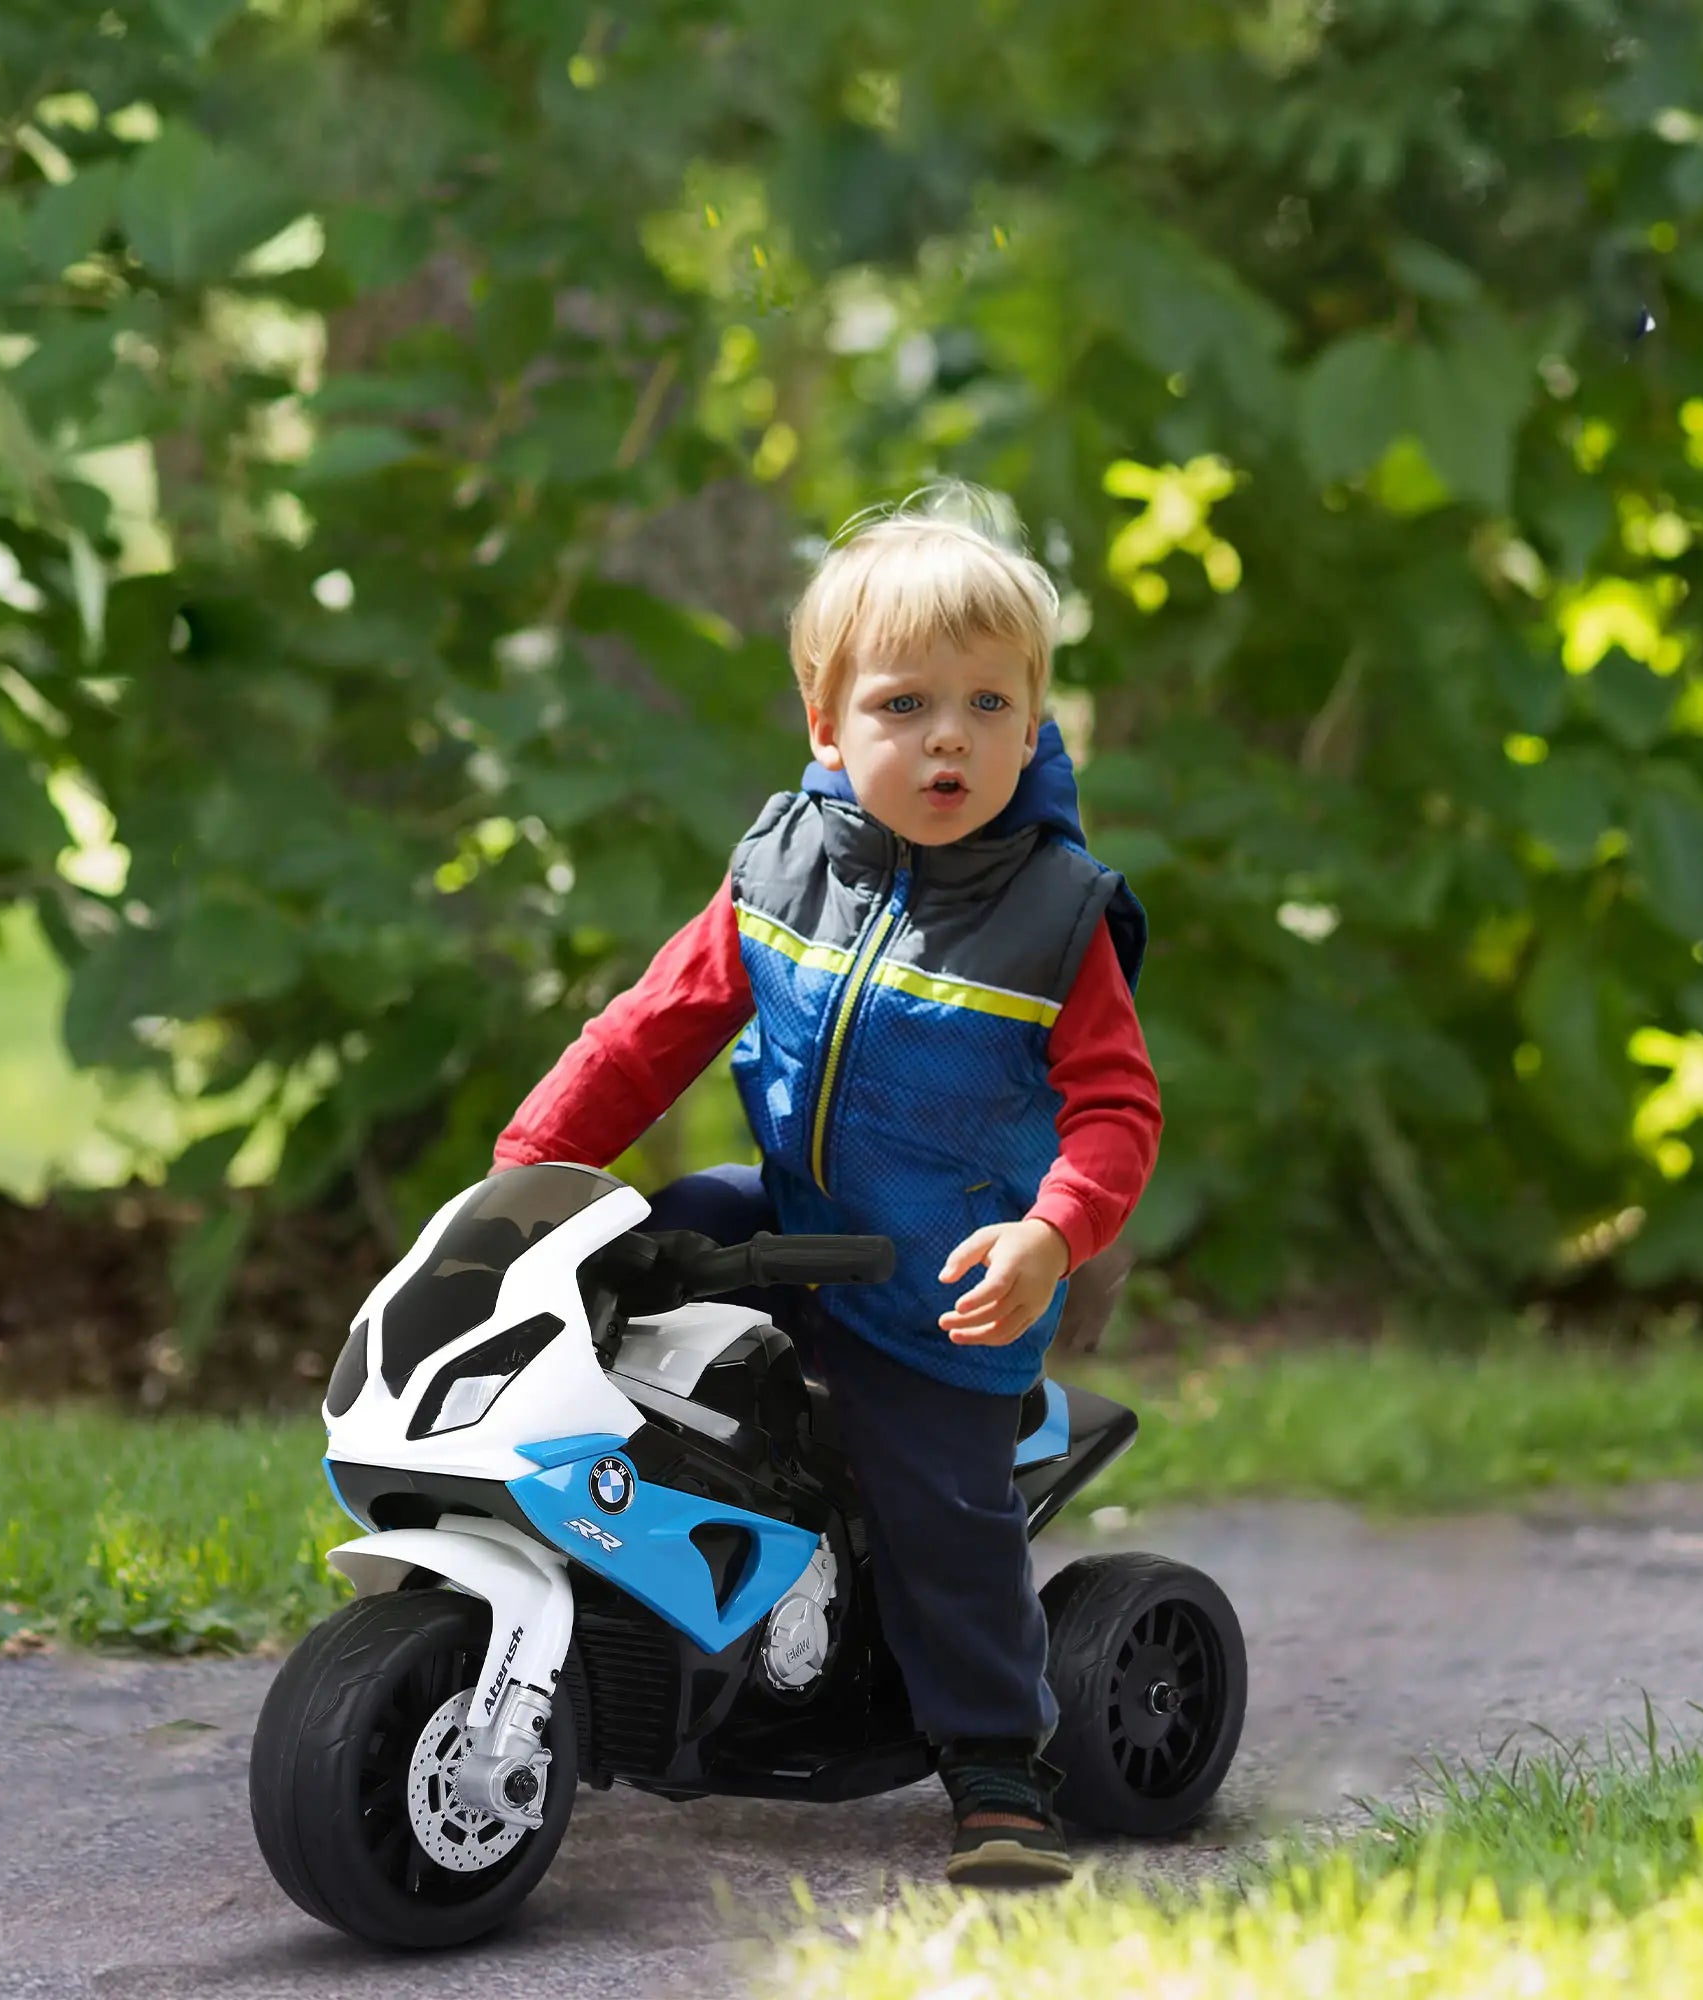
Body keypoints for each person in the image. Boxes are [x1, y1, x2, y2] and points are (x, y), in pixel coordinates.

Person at [491, 485, 1161, 1886]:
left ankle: (993, 1762)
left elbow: (1114, 1108)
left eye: (990, 706)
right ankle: (611, 1615)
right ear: (826, 721)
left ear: (1036, 724)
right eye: (905, 704)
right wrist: (533, 1172)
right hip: (788, 1219)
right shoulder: (781, 868)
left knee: (938, 1506)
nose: (948, 741)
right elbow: (650, 1031)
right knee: (615, 1274)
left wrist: (1050, 1234)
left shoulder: (1055, 914)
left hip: (937, 1283)